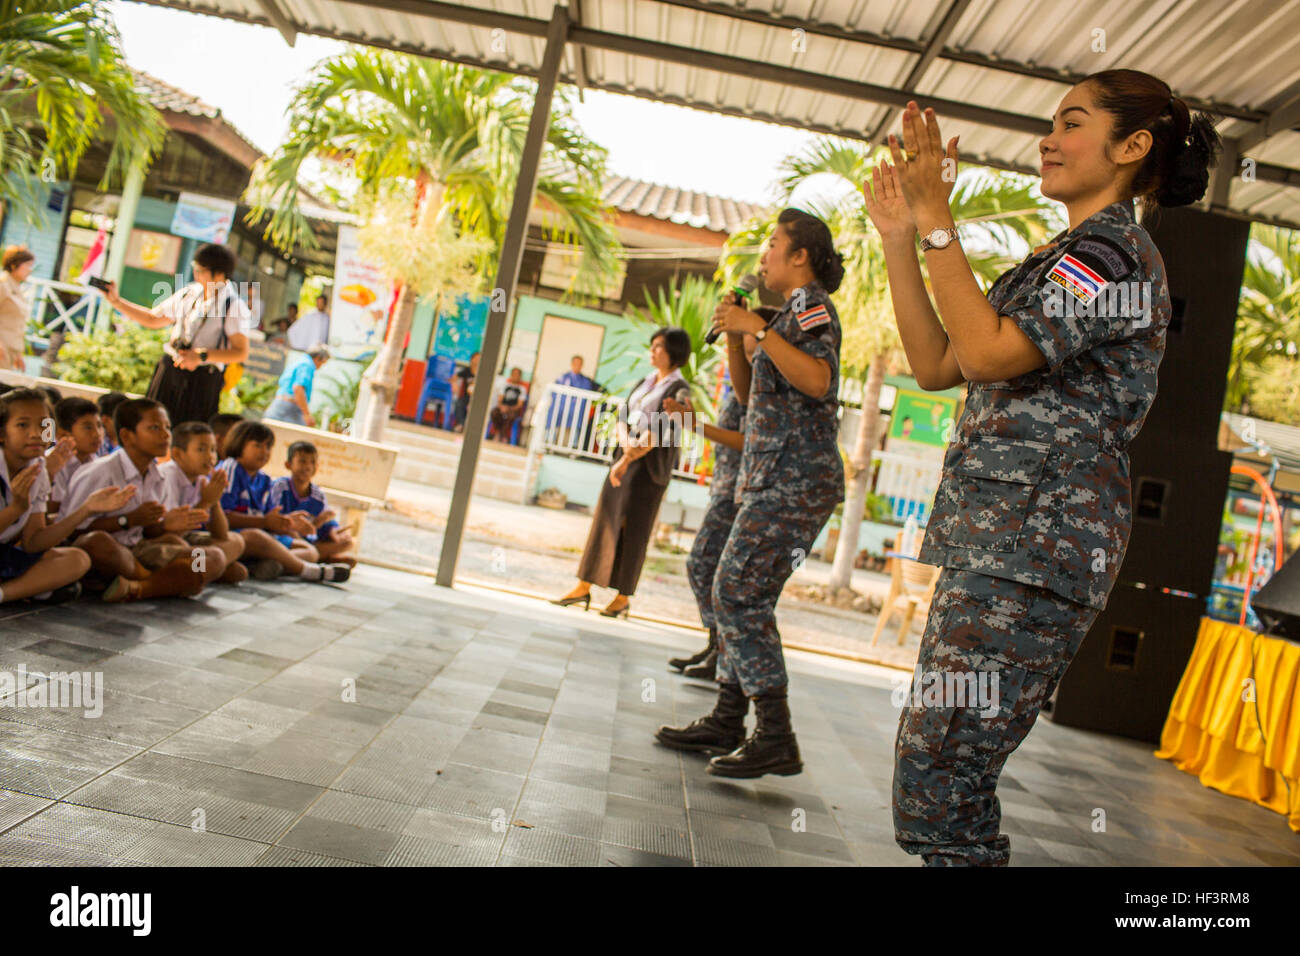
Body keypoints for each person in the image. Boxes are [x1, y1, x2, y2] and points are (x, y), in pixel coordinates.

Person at [863, 71, 1220, 866]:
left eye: (1072, 123)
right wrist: (901, 237)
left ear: (1132, 147)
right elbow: (937, 363)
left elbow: (990, 352)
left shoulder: (1111, 256)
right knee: (939, 766)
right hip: (1000, 544)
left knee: (942, 771)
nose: (1047, 139)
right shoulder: (1064, 257)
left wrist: (938, 220)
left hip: (1036, 550)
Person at [654, 209, 846, 779]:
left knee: (735, 591)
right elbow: (750, 390)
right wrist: (740, 338)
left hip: (795, 478)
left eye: (772, 243)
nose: (763, 255)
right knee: (740, 592)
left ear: (800, 256)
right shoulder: (784, 314)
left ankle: (775, 734)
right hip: (771, 476)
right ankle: (729, 715)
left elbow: (818, 380)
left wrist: (757, 330)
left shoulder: (811, 305)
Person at [551, 327, 692, 619]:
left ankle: (622, 597)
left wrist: (629, 456)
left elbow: (661, 431)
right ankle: (583, 585)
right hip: (625, 458)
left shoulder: (680, 389)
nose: (652, 351)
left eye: (659, 347)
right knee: (605, 519)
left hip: (648, 468)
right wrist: (625, 445)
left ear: (674, 353)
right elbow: (622, 416)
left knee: (635, 529)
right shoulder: (646, 381)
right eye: (652, 346)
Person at [663, 322, 765, 679]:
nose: (737, 342)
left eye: (745, 335)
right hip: (725, 485)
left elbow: (749, 439)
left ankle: (722, 651)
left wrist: (694, 424)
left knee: (704, 564)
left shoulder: (761, 381)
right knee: (708, 567)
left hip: (739, 492)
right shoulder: (741, 378)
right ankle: (715, 645)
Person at [59, 398, 228, 603]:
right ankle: (167, 582)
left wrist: (165, 525)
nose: (166, 434)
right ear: (127, 436)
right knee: (96, 542)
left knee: (211, 558)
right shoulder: (100, 472)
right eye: (154, 428)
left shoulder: (157, 476)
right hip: (109, 554)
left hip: (139, 551)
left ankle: (138, 587)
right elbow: (72, 531)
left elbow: (150, 532)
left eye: (167, 427)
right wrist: (128, 520)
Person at [0, 389, 133, 605]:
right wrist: (15, 508)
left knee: (77, 559)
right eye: (23, 425)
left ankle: (4, 593)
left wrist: (86, 510)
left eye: (44, 425)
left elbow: (33, 542)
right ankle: (32, 589)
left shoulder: (38, 469)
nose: (35, 433)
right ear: (2, 433)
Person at [100, 244, 251, 426]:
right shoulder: (189, 293)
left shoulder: (233, 305)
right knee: (152, 427)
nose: (196, 274)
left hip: (201, 381)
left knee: (187, 438)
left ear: (219, 274)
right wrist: (116, 301)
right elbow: (152, 319)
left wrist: (201, 356)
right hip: (170, 371)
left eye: (201, 270)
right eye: (195, 268)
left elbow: (240, 352)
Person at [216, 420, 351, 583]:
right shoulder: (230, 468)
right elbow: (223, 518)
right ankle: (311, 571)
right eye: (257, 445)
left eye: (268, 447)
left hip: (260, 538)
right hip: (234, 537)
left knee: (310, 551)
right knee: (252, 538)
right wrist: (266, 522)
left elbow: (271, 519)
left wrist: (288, 523)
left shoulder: (264, 479)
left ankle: (268, 565)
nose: (264, 451)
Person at [159, 421, 248, 584]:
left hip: (187, 541)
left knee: (236, 541)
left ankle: (205, 570)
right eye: (201, 449)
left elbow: (221, 534)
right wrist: (206, 502)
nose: (210, 456)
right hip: (162, 540)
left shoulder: (201, 479)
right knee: (185, 547)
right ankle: (202, 573)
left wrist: (215, 501)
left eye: (213, 449)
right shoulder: (167, 477)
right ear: (178, 454)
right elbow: (171, 534)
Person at [268, 441, 357, 567]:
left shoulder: (318, 495)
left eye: (313, 462)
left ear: (317, 467)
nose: (308, 466)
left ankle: (311, 557)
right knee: (292, 536)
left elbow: (327, 524)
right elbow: (273, 520)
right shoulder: (279, 487)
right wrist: (313, 524)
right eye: (302, 461)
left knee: (349, 542)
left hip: (307, 542)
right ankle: (319, 558)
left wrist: (334, 531)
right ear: (288, 465)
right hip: (282, 536)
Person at [47, 397, 105, 511]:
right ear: (63, 434)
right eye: (88, 427)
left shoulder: (96, 462)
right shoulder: (54, 464)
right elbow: (53, 509)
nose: (97, 434)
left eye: (99, 425)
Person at [263, 344, 329, 427]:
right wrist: (307, 414)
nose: (320, 367)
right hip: (289, 407)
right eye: (322, 363)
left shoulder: (299, 361)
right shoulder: (307, 365)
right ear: (318, 357)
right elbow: (298, 388)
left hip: (279, 404)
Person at [0, 246, 35, 372]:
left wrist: (19, 353)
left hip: (11, 350)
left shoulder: (16, 287)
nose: (30, 270)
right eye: (28, 265)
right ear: (14, 265)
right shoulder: (2, 284)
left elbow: (17, 323)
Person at [488, 367, 528, 443]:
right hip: (502, 407)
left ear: (520, 377)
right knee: (494, 413)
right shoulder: (505, 386)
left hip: (513, 410)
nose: (515, 376)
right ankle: (500, 433)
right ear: (511, 375)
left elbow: (519, 405)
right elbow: (499, 400)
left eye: (517, 375)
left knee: (509, 416)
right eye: (514, 374)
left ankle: (500, 435)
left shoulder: (522, 389)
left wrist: (509, 409)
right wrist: (502, 407)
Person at [451, 351, 480, 433]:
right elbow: (454, 377)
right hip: (467, 397)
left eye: (479, 358)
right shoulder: (467, 370)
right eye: (476, 358)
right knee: (459, 403)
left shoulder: (482, 373)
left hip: (478, 399)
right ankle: (461, 425)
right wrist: (454, 384)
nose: (477, 360)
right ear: (471, 359)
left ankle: (472, 429)